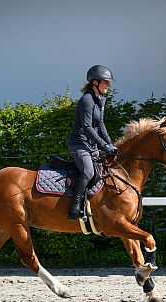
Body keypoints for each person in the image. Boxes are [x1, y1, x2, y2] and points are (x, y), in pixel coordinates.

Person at [67, 65, 117, 220]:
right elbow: (87, 127)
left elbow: (100, 124)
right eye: (106, 82)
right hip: (78, 144)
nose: (109, 85)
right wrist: (104, 145)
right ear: (95, 82)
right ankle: (74, 208)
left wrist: (111, 144)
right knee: (88, 171)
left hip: (91, 145)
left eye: (109, 82)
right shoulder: (87, 100)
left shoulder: (100, 100)